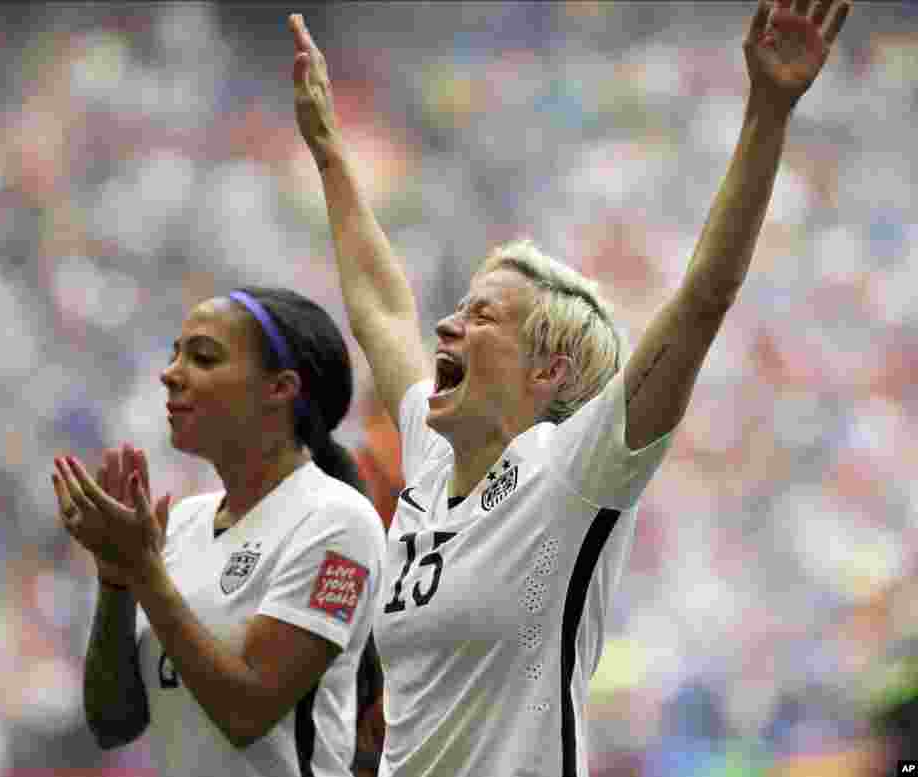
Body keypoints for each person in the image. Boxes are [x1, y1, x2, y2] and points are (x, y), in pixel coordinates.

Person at [288, 0, 851, 775]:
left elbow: (701, 302)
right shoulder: (429, 460)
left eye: (480, 315)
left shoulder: (574, 471)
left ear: (548, 369)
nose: (446, 328)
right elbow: (383, 309)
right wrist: (327, 152)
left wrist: (767, 112)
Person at [51, 287, 386, 777]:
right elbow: (114, 723)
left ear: (280, 388)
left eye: (203, 358)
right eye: (174, 355)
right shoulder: (185, 522)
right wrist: (116, 576)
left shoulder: (337, 520)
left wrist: (144, 571)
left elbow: (246, 711)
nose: (170, 374)